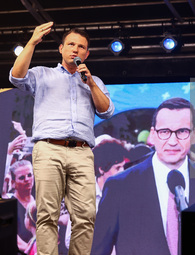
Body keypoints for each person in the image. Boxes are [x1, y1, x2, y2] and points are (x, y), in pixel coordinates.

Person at [9, 21, 115, 255]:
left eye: (81, 46)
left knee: (86, 216)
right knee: (47, 215)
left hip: (82, 152)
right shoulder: (42, 74)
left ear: (86, 53)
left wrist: (90, 84)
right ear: (61, 48)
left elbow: (107, 111)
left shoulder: (94, 81)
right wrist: (32, 42)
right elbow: (16, 77)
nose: (75, 49)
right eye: (71, 44)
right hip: (49, 149)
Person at [91, 97, 195, 255]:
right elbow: (99, 251)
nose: (172, 141)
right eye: (164, 132)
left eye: (182, 131)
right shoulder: (119, 186)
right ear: (153, 134)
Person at [8, 160, 35, 252]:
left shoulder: (40, 198)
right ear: (13, 183)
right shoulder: (8, 205)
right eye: (22, 177)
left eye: (30, 175)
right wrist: (34, 250)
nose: (27, 179)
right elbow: (13, 239)